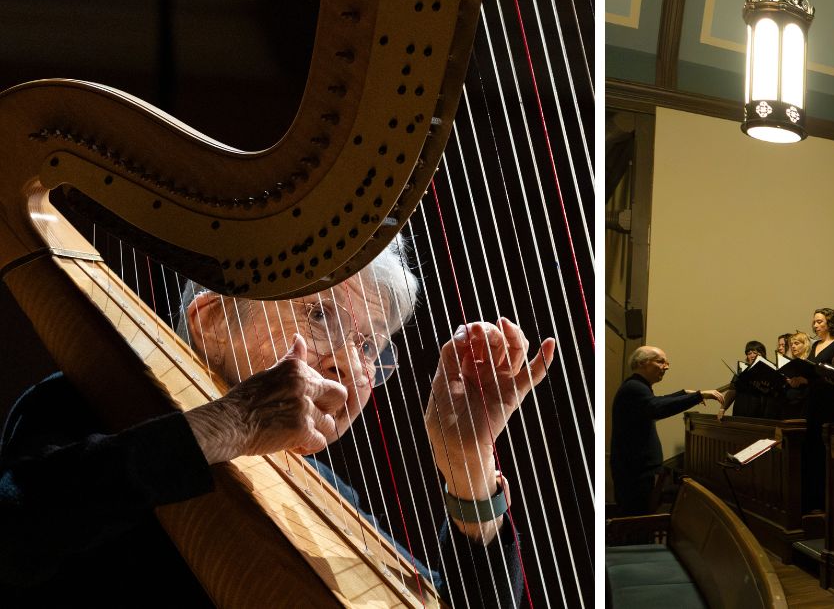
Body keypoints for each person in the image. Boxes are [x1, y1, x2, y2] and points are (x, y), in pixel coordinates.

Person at [0, 239, 555, 607]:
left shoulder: (320, 491)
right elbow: (16, 533)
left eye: (368, 345)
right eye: (319, 315)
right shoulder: (87, 400)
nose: (346, 361)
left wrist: (467, 461)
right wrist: (232, 422)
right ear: (212, 319)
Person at [610, 346, 723, 516]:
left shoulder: (637, 386)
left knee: (639, 517)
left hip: (636, 469)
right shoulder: (634, 388)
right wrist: (698, 396)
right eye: (660, 361)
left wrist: (684, 393)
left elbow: (656, 402)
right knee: (636, 520)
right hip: (635, 472)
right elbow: (657, 408)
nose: (666, 366)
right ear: (642, 363)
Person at [795, 309, 834, 512]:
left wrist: (809, 378)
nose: (815, 325)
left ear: (829, 323)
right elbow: (808, 369)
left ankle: (825, 503)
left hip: (829, 403)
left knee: (823, 451)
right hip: (812, 401)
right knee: (810, 448)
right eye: (814, 322)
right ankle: (810, 501)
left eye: (819, 322)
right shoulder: (815, 345)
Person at [723, 341, 770, 418]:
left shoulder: (769, 371)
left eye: (755, 353)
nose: (752, 355)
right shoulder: (742, 370)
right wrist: (722, 409)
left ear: (762, 354)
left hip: (761, 414)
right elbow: (732, 390)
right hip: (740, 412)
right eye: (749, 353)